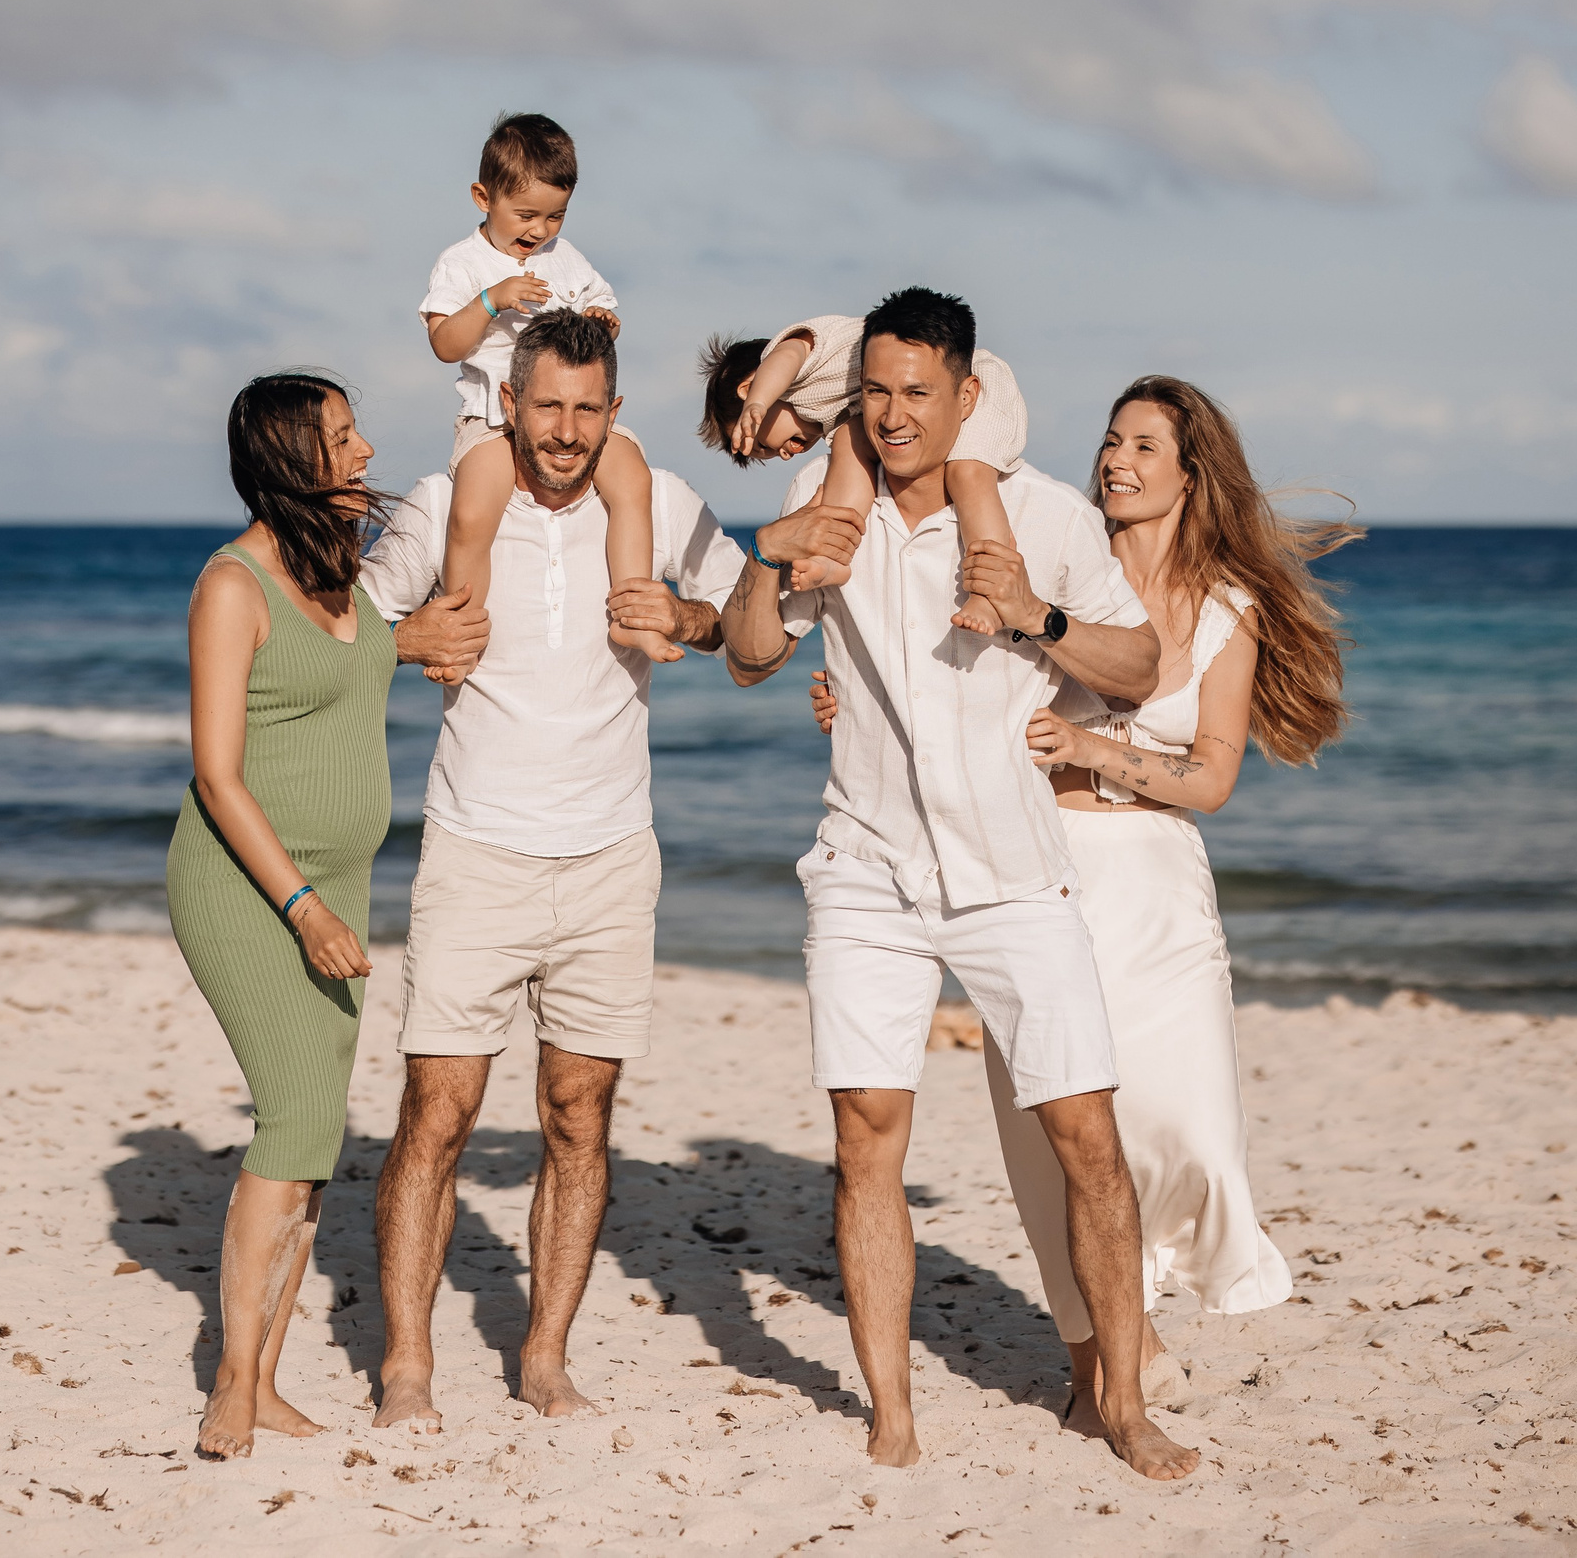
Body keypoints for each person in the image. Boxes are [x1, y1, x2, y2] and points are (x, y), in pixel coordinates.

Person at [719, 286, 1198, 1481]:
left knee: (1086, 1134)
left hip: (1009, 870)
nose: (890, 415)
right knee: (865, 1134)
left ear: (967, 398)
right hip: (866, 863)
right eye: (873, 390)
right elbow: (747, 659)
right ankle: (891, 1413)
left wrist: (1033, 617)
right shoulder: (821, 502)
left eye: (916, 393)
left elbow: (1137, 664)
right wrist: (767, 563)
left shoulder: (1039, 514)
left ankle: (1122, 1405)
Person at [359, 309, 746, 1431]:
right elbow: (341, 632)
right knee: (439, 1112)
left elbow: (749, 615)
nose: (567, 432)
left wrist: (685, 614)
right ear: (510, 405)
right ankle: (408, 1367)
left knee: (580, 1114)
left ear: (612, 412)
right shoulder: (446, 505)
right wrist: (410, 642)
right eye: (548, 407)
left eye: (588, 409)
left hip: (612, 855)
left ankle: (543, 1356)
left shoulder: (659, 501)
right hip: (476, 848)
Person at [1007, 375, 1358, 1421]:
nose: (1116, 460)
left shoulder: (1223, 612)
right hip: (1039, 875)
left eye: (1143, 447)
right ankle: (1102, 1357)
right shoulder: (1059, 567)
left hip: (1153, 886)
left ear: (1190, 475)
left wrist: (1093, 746)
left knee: (1187, 1126)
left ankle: (1141, 1304)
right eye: (1111, 441)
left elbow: (1209, 779)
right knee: (1053, 1141)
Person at [165, 372, 396, 1460]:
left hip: (334, 888)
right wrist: (301, 907)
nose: (360, 451)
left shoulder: (340, 572)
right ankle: (228, 1387)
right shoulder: (232, 585)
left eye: (355, 434)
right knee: (297, 1120)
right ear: (288, 457)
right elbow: (217, 774)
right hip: (249, 887)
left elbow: (355, 692)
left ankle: (261, 1381)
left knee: (314, 1139)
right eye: (339, 438)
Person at [419, 112, 678, 664]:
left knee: (632, 480)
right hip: (492, 416)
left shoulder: (565, 258)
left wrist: (599, 319)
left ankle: (631, 613)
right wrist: (492, 300)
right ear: (482, 197)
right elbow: (445, 343)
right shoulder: (462, 262)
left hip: (565, 411)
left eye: (556, 215)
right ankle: (459, 637)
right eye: (526, 214)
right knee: (471, 514)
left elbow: (603, 308)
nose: (540, 230)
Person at [696, 318, 1027, 632]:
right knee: (848, 445)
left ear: (749, 387)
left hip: (978, 384)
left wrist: (758, 401)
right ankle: (834, 557)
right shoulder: (840, 418)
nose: (782, 454)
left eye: (761, 444)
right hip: (925, 400)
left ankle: (988, 596)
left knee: (968, 475)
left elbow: (785, 357)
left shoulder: (803, 355)